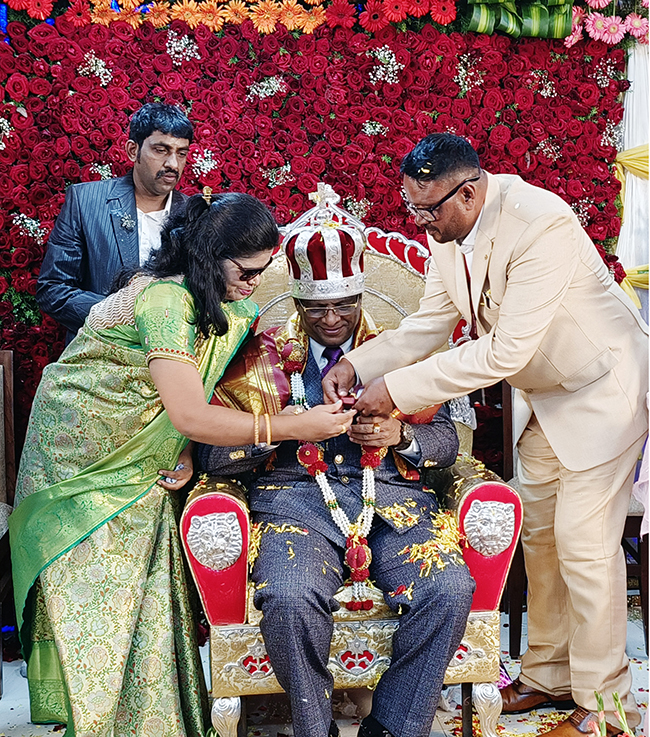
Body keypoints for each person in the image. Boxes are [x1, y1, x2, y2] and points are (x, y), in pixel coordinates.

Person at [323, 134, 649, 736]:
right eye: (411, 208)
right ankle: (549, 674)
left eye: (429, 209)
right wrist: (361, 364)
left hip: (602, 387)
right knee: (542, 537)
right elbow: (425, 328)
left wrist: (396, 393)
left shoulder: (541, 222)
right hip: (546, 400)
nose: (419, 221)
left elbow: (505, 352)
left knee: (584, 543)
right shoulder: (447, 233)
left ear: (468, 192)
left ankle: (608, 708)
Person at [10, 191, 354, 737]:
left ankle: (152, 722)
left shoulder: (228, 303)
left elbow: (204, 392)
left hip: (152, 446)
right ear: (207, 255)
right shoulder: (165, 300)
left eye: (264, 271)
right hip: (85, 448)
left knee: (146, 580)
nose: (254, 284)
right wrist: (291, 425)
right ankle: (97, 723)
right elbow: (192, 410)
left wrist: (188, 446)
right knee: (96, 585)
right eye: (245, 270)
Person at [197, 185, 474, 737]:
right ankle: (314, 728)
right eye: (316, 307)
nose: (331, 318)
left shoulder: (401, 351)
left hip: (396, 498)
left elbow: (448, 444)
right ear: (297, 303)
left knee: (450, 587)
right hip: (294, 499)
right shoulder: (257, 356)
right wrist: (278, 433)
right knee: (290, 595)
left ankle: (392, 728)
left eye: (343, 305)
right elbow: (211, 452)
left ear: (361, 300)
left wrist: (399, 437)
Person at [37, 102, 194, 342]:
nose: (173, 164)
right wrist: (127, 315)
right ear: (133, 150)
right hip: (99, 352)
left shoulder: (195, 215)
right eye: (161, 150)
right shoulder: (86, 202)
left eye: (181, 153)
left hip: (174, 353)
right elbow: (53, 290)